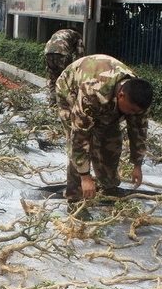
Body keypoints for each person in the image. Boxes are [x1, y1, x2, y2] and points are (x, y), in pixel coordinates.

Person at [55, 54, 154, 206]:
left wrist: (137, 164)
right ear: (121, 95)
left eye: (137, 111)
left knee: (111, 141)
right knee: (78, 143)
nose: (133, 114)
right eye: (131, 109)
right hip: (70, 89)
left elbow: (139, 131)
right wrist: (86, 178)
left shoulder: (138, 98)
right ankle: (75, 196)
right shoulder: (92, 94)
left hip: (105, 96)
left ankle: (109, 187)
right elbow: (79, 139)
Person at [44, 28, 85, 104]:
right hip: (62, 53)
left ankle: (53, 101)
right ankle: (65, 102)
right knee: (66, 78)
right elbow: (80, 55)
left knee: (53, 79)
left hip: (48, 52)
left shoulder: (61, 32)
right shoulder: (77, 35)